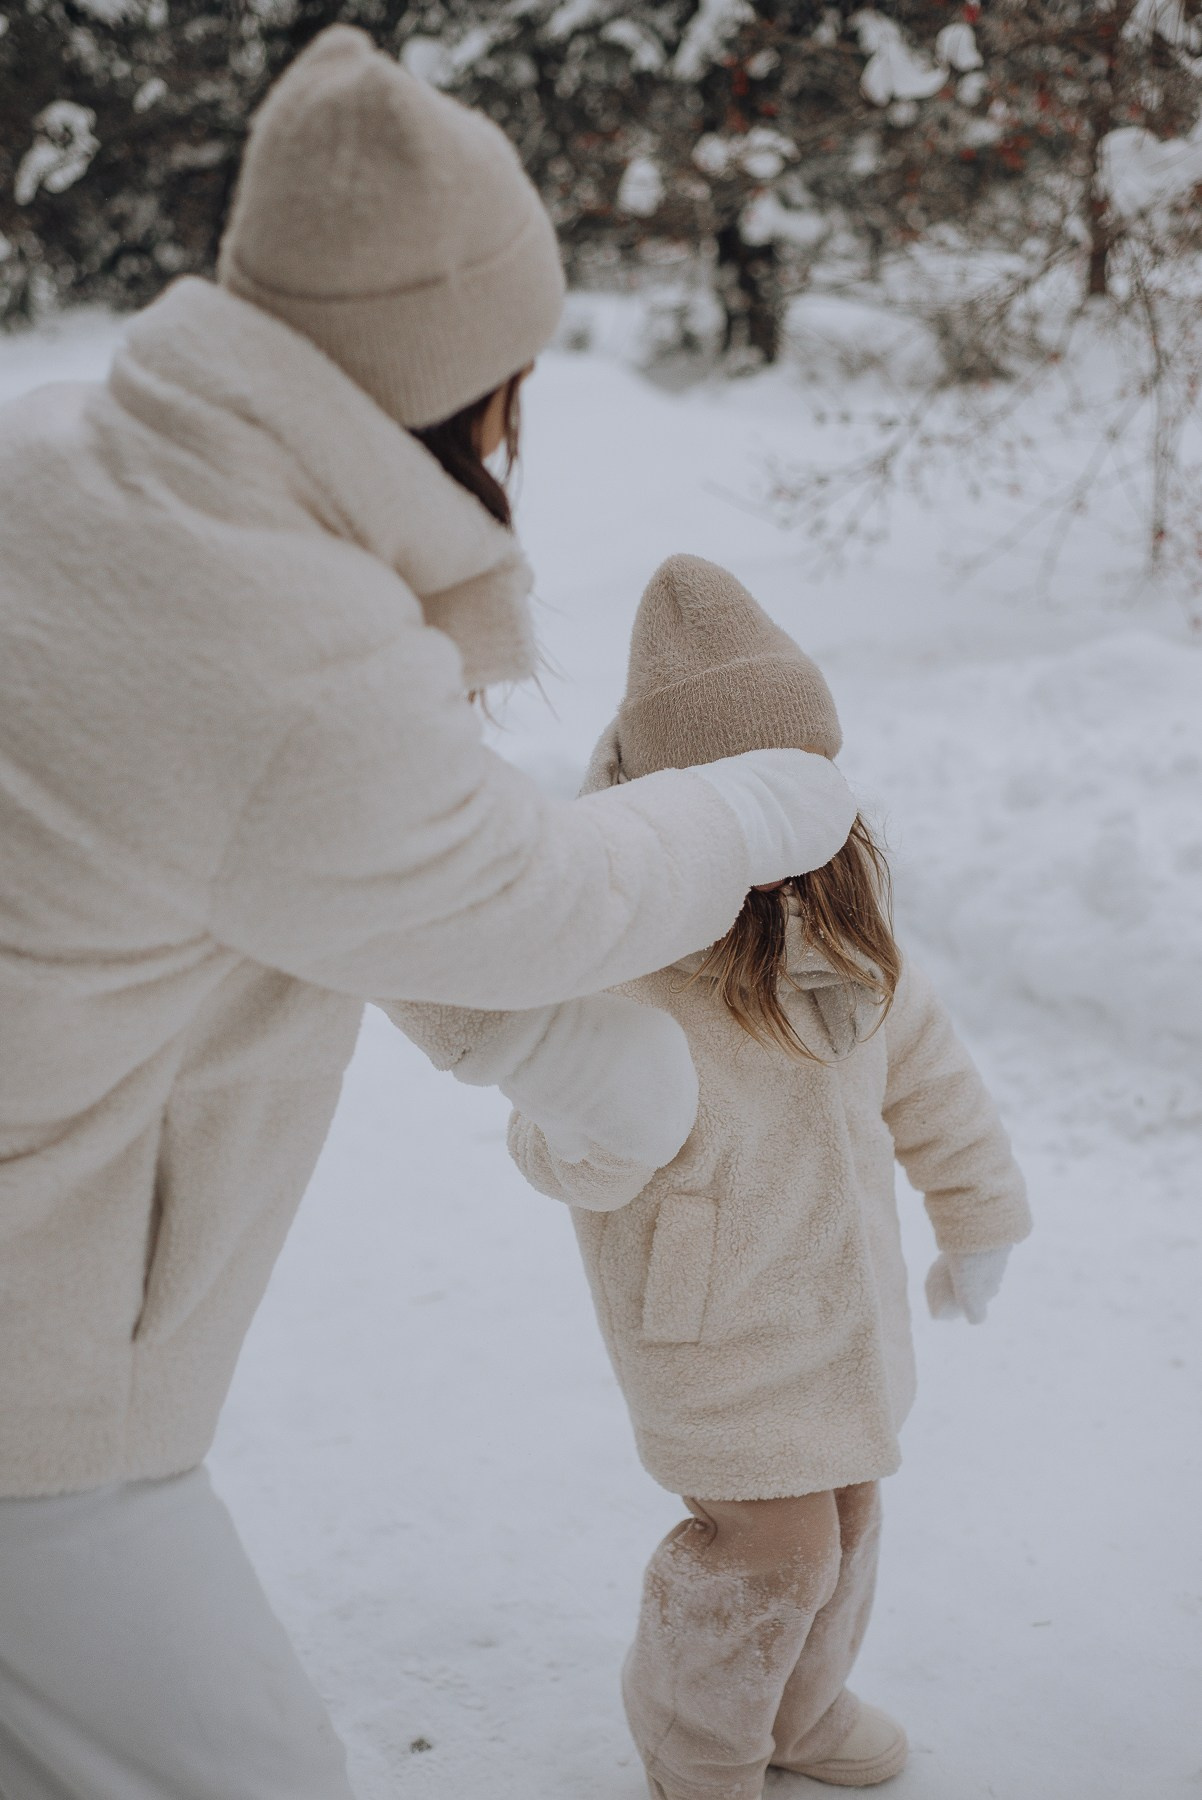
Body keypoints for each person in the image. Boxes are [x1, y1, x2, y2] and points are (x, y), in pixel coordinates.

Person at [0, 31, 862, 1800]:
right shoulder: (280, 640)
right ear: (456, 374)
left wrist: (549, 1044)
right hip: (40, 1374)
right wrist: (751, 801)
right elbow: (519, 897)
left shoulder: (64, 458)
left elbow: (289, 876)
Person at [496, 555, 1033, 1796]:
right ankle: (699, 1742)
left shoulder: (845, 929)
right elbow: (540, 1130)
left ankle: (799, 1711)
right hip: (712, 1329)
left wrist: (976, 1215)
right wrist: (594, 1138)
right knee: (772, 1545)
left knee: (843, 1523)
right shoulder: (615, 955)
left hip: (839, 1317)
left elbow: (929, 1078)